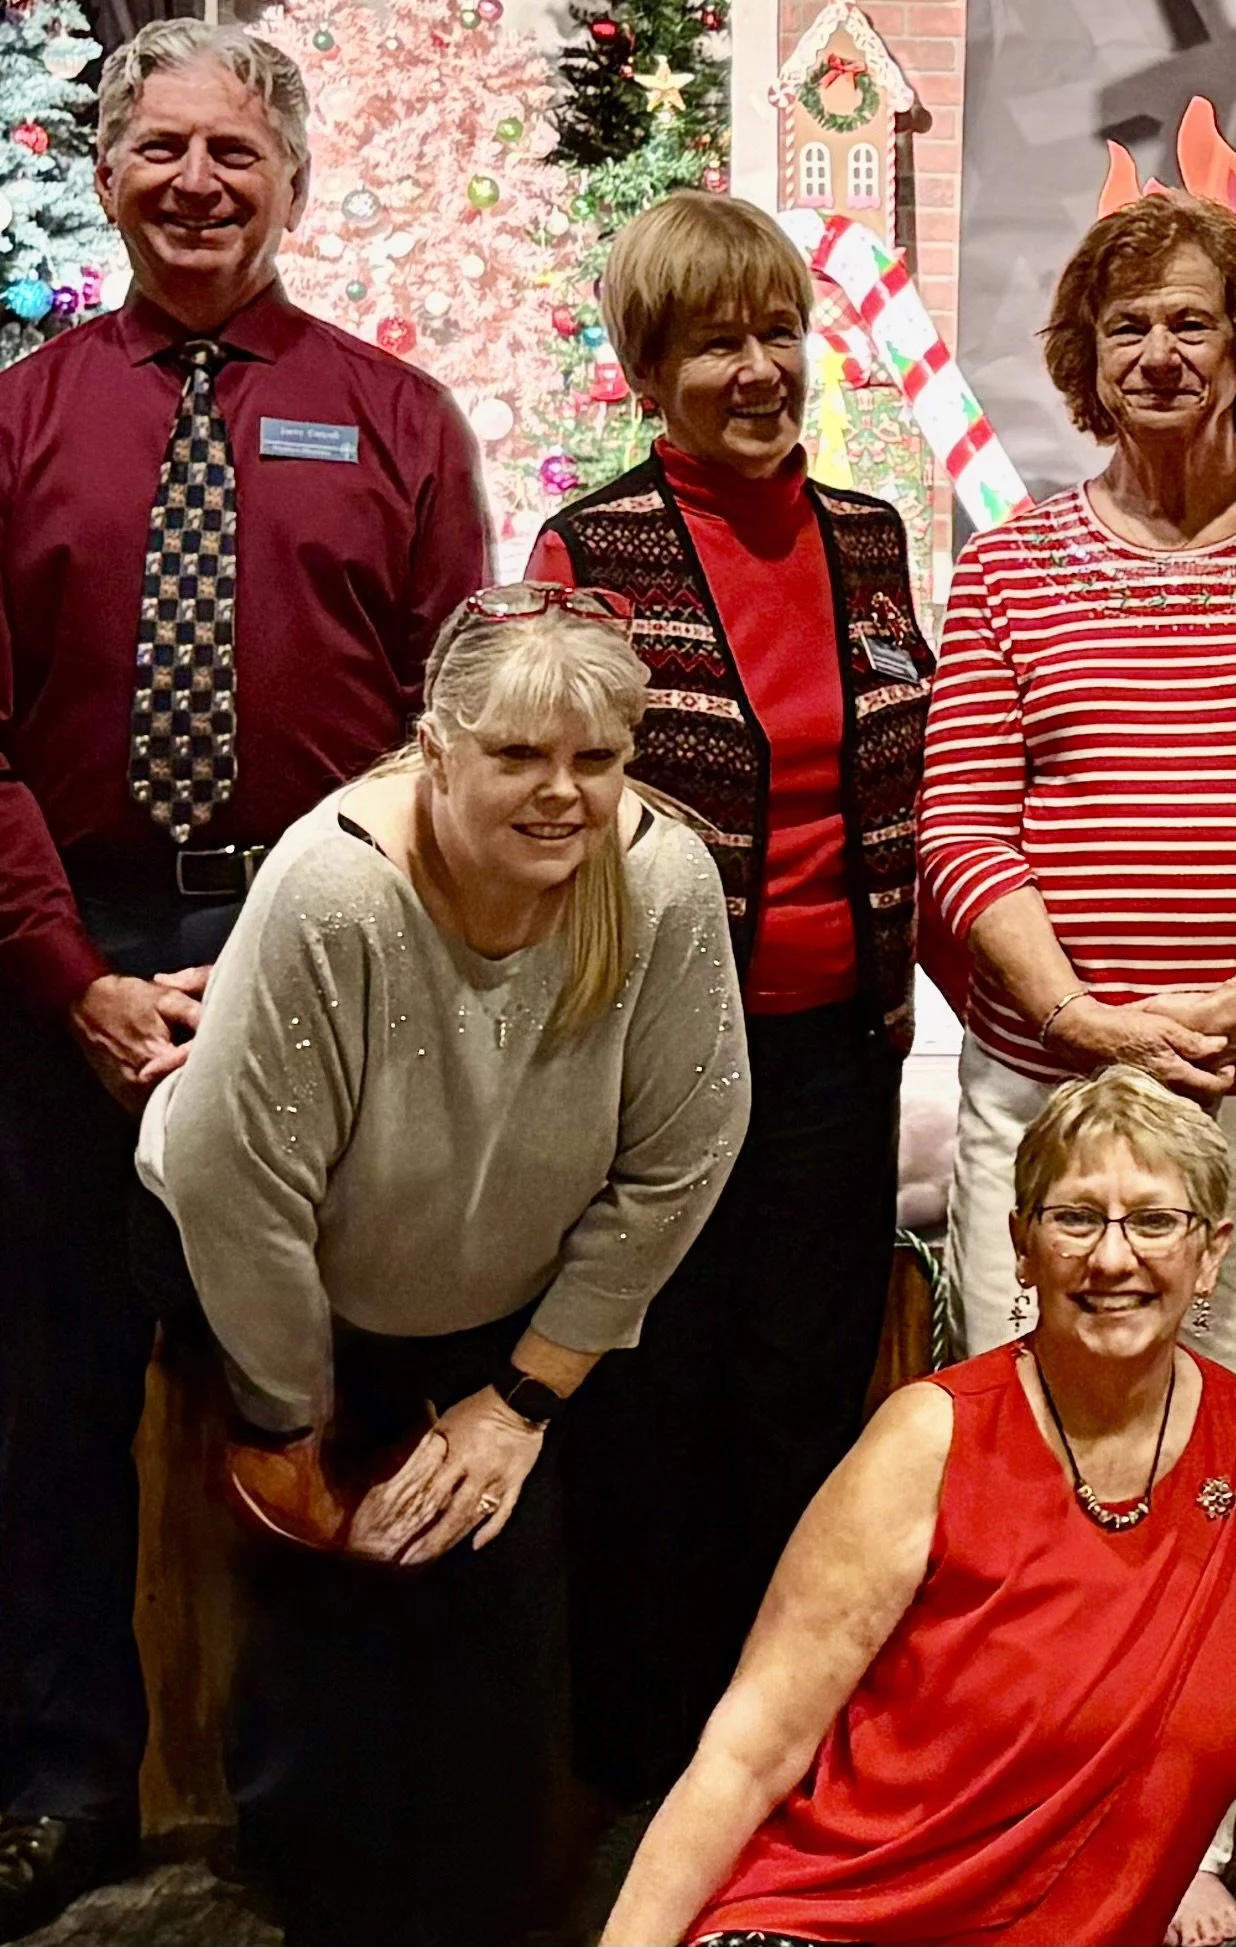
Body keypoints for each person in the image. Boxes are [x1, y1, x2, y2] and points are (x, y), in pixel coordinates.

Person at [0, 20, 489, 1938]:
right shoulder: (23, 418)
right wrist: (73, 981)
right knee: (45, 1397)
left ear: (291, 178)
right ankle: (63, 1785)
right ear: (106, 172)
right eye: (163, 149)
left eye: (235, 152)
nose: (197, 182)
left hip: (323, 962)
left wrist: (306, 946)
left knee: (309, 1386)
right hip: (59, 968)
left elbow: (455, 728)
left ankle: (314, 1803)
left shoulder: (394, 417)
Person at [133, 585, 750, 1946]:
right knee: (323, 1660)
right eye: (518, 754)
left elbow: (683, 1153)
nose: (561, 792)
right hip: (284, 1286)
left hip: (500, 1302)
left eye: (594, 758)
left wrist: (522, 1400)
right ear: (434, 747)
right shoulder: (333, 890)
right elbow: (240, 1191)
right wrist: (286, 1419)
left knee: (490, 1666)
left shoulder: (661, 883)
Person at [918, 191, 1236, 1942]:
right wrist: (1085, 1019)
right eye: (1122, 327)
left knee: (1234, 1444)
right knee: (1034, 1443)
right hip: (1042, 1092)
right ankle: (1044, 1795)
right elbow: (957, 827)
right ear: (1082, 361)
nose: (1157, 352)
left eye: (1189, 320)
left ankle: (1194, 1825)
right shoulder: (1013, 563)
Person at [526, 188, 931, 1802]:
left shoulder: (868, 538)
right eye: (713, 343)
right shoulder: (593, 551)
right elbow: (542, 805)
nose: (759, 368)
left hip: (840, 1057)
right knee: (655, 1406)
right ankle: (647, 1770)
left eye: (777, 330)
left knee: (800, 1407)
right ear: (646, 372)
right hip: (656, 1070)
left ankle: (787, 1749)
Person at [601, 1065, 1236, 1947]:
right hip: (835, 1924)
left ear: (1211, 1252)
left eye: (1155, 1220)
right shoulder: (930, 1439)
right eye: (1075, 1217)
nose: (1112, 1257)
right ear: (1021, 1244)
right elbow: (749, 1752)